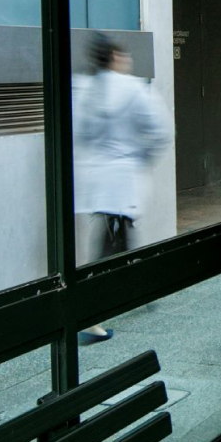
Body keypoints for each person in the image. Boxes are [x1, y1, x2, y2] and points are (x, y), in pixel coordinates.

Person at [72, 34, 173, 343]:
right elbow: (161, 130)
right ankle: (91, 317)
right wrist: (137, 158)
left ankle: (140, 290)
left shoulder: (85, 89)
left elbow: (81, 134)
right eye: (124, 56)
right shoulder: (133, 89)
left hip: (99, 181)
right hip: (123, 181)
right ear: (115, 58)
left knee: (119, 238)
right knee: (108, 247)